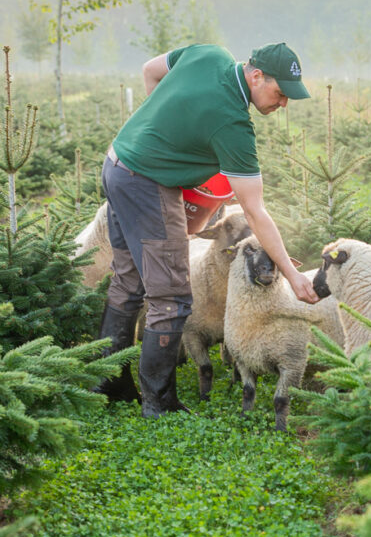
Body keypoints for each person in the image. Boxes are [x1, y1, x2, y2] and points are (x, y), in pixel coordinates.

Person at [93, 42, 319, 418]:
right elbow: (255, 210)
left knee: (128, 281)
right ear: (256, 75)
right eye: (280, 94)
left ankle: (105, 381)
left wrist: (161, 132)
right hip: (147, 185)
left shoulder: (208, 54)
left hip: (117, 163)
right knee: (172, 297)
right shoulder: (233, 124)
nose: (283, 105)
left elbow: (151, 70)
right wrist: (293, 274)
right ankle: (159, 403)